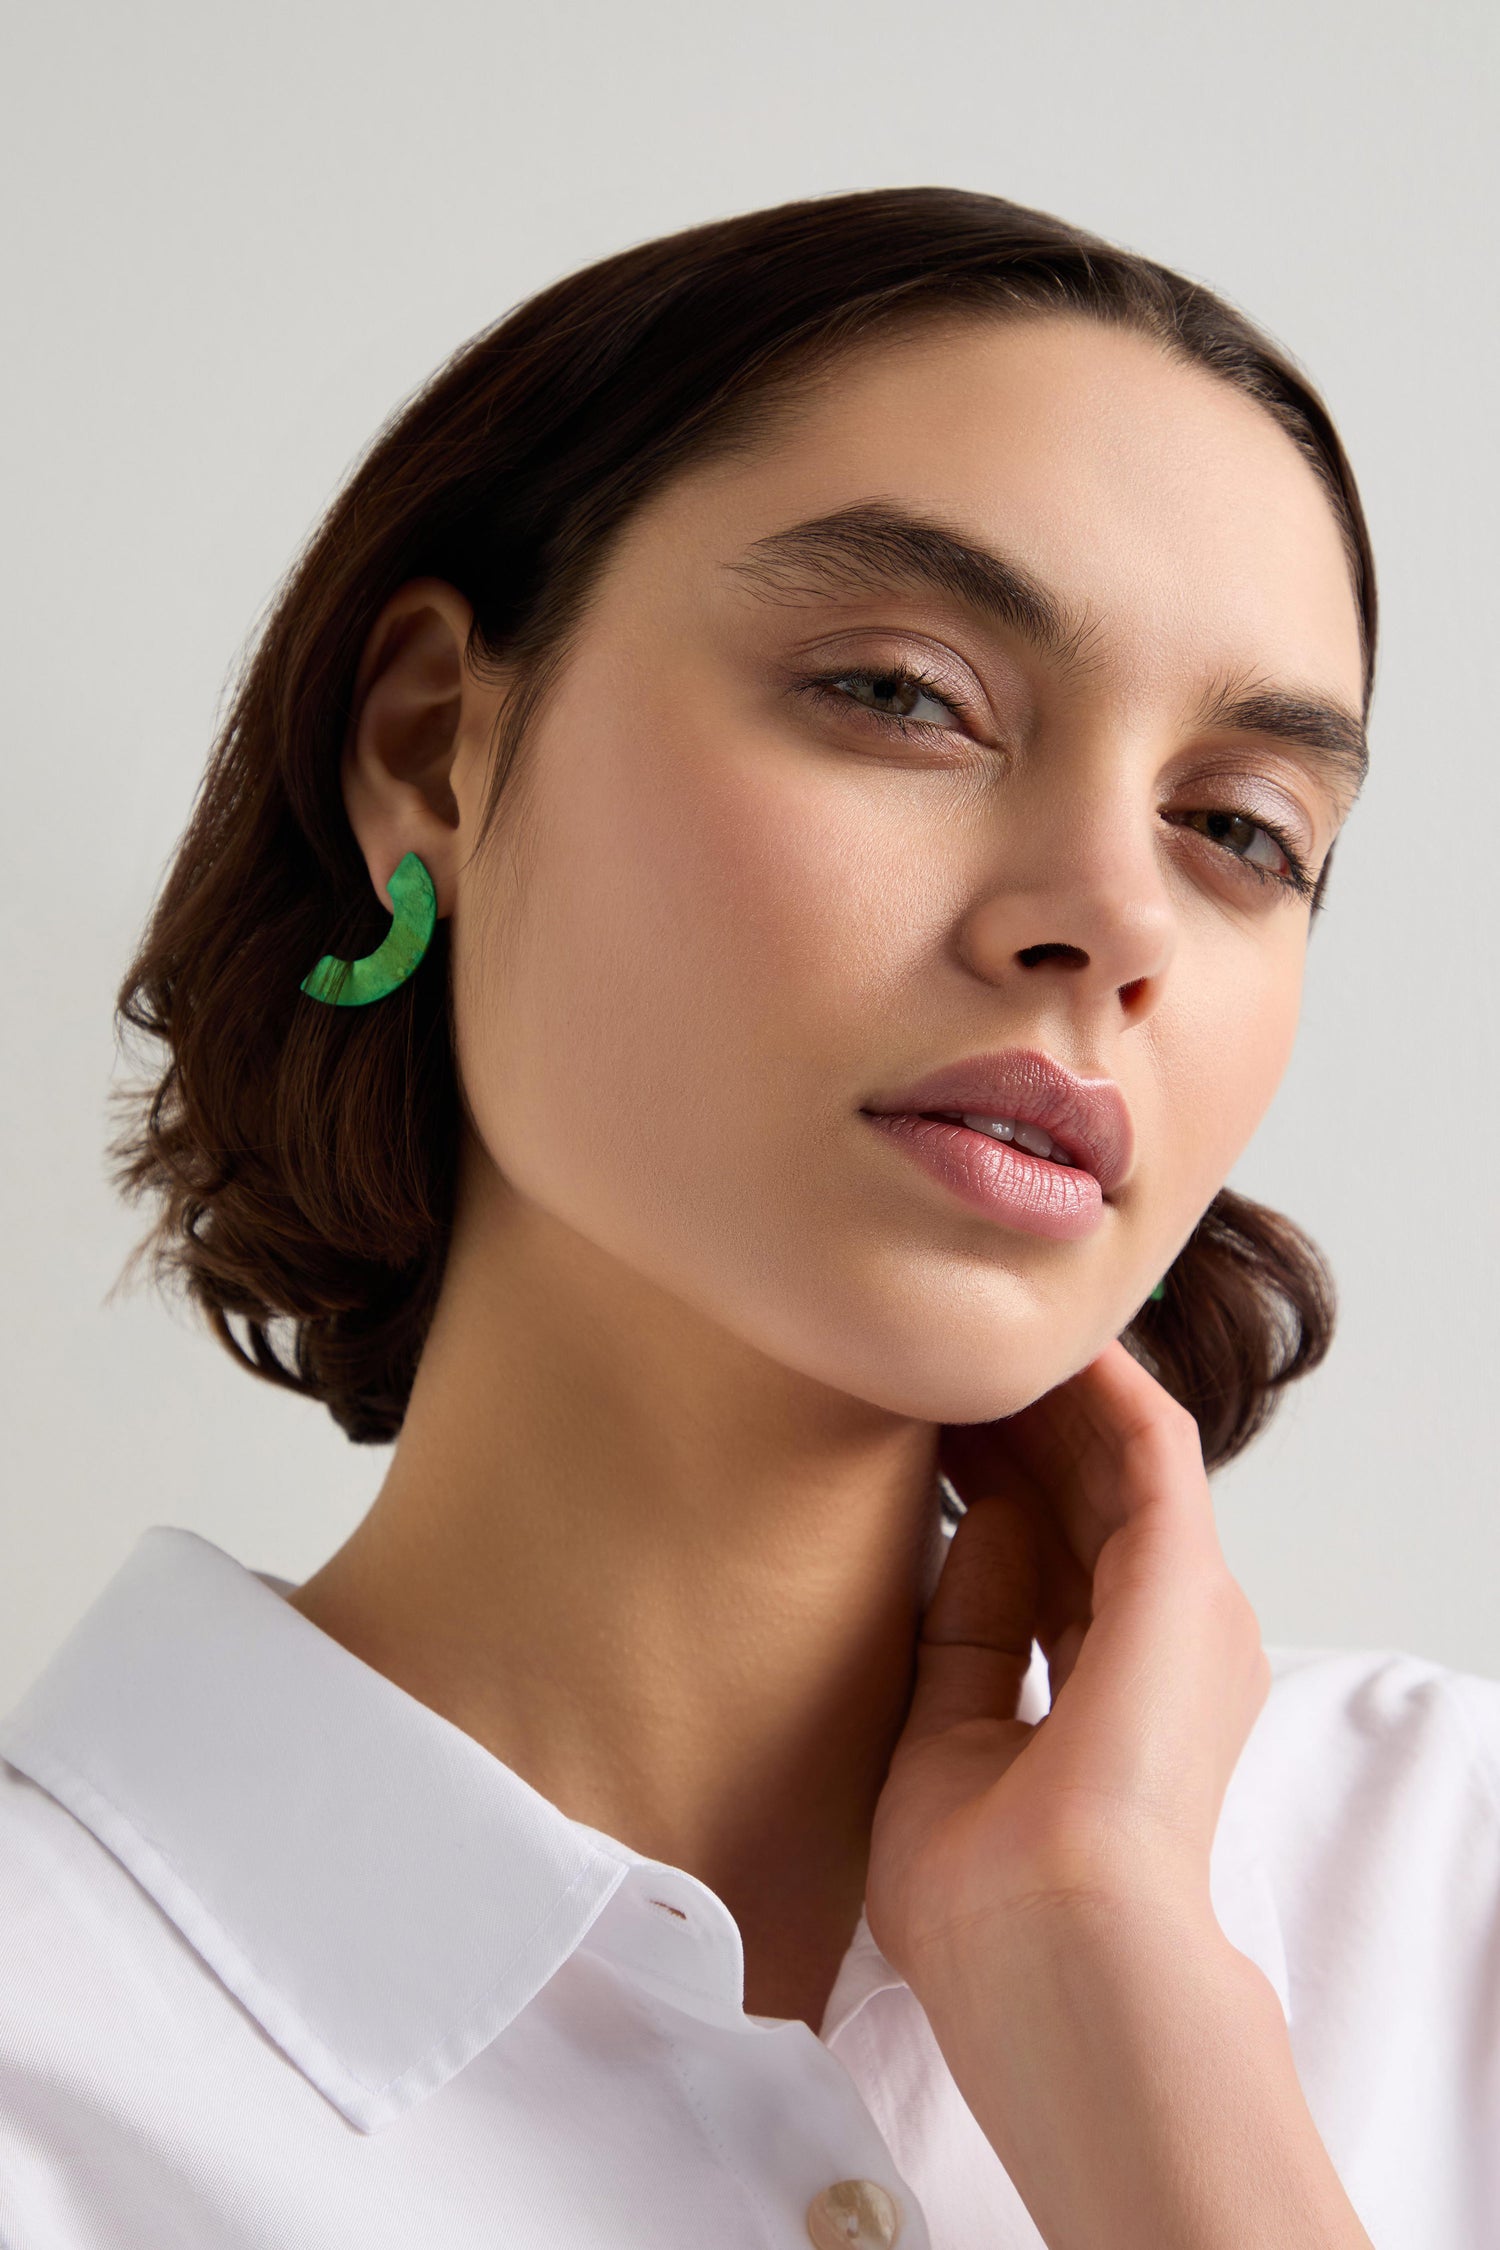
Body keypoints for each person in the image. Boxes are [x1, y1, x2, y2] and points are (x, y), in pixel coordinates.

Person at [1, 185, 1494, 2250]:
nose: (1116, 920)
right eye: (906, 696)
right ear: (431, 738)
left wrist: (1145, 2055)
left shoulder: (1456, 1886)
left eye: (1242, 829)